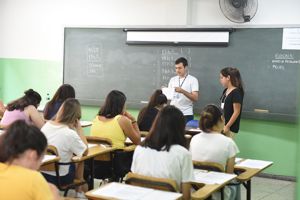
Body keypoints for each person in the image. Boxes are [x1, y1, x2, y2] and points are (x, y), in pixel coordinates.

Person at [131, 105, 194, 200]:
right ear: (180, 128)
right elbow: (186, 197)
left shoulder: (140, 149)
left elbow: (133, 184)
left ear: (156, 124)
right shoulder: (183, 154)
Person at [189, 104, 240, 200]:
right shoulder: (228, 143)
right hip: (217, 193)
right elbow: (228, 175)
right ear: (222, 118)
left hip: (196, 191)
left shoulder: (194, 139)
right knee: (235, 184)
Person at [0, 120, 59, 200]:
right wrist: (54, 194)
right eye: (41, 159)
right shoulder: (33, 179)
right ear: (33, 155)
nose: (38, 166)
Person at [41, 98, 88, 197]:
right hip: (60, 177)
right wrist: (79, 129)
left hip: (41, 173)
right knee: (81, 158)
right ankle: (79, 192)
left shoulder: (46, 125)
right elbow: (85, 152)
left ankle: (79, 191)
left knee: (72, 155)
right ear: (76, 118)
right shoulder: (70, 134)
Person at [168, 57, 199, 123]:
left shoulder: (193, 80)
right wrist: (166, 91)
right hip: (173, 113)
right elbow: (169, 97)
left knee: (185, 132)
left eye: (180, 68)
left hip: (186, 114)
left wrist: (182, 91)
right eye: (176, 68)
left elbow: (195, 98)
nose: (177, 70)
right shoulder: (172, 79)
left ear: (186, 67)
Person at [219, 67, 244, 137]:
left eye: (221, 78)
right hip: (222, 124)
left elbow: (236, 112)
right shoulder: (225, 90)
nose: (220, 80)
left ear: (228, 77)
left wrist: (227, 126)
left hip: (229, 127)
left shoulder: (236, 92)